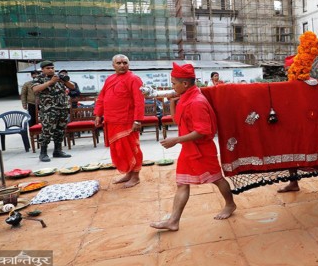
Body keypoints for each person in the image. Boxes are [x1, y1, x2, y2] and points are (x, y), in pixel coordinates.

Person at [151, 63, 236, 231]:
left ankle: (230, 204)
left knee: (217, 179)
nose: (172, 86)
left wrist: (176, 140)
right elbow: (177, 120)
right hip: (188, 149)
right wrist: (172, 102)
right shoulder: (185, 97)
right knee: (182, 183)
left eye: (174, 83)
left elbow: (203, 131)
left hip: (202, 150)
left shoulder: (196, 101)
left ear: (185, 84)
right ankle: (173, 221)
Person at [278, 54, 318, 193]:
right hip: (292, 125)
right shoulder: (288, 85)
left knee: (310, 153)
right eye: (287, 69)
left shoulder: (311, 82)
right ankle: (293, 183)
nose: (288, 71)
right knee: (291, 154)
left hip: (308, 124)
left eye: (290, 68)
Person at [94, 54, 145, 188]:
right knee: (119, 150)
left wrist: (138, 120)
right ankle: (128, 174)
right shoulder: (110, 79)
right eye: (119, 63)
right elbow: (101, 98)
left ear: (128, 64)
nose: (122, 65)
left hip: (127, 122)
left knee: (131, 149)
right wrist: (98, 114)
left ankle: (135, 176)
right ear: (113, 65)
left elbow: (139, 101)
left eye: (124, 63)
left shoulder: (134, 79)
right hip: (111, 121)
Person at [32, 61, 75, 162]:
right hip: (49, 110)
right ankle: (43, 153)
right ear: (42, 69)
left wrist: (64, 80)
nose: (51, 70)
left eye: (52, 68)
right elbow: (36, 89)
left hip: (63, 108)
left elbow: (72, 87)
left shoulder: (59, 77)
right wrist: (51, 82)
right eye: (48, 68)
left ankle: (57, 151)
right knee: (47, 131)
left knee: (60, 130)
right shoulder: (38, 78)